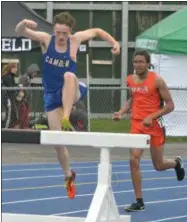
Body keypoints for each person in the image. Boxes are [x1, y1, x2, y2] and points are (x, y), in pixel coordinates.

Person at [15, 12, 120, 199]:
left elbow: (97, 30)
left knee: (69, 76)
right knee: (58, 143)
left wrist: (114, 42)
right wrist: (24, 22)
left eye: (65, 33)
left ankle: (67, 115)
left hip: (71, 90)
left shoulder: (76, 40)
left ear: (70, 31)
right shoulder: (46, 39)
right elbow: (21, 31)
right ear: (54, 30)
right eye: (58, 33)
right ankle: (68, 176)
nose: (61, 37)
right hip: (51, 96)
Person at [113, 50, 185, 211]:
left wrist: (151, 117)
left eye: (141, 62)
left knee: (158, 165)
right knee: (133, 160)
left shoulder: (157, 81)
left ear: (147, 63)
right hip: (137, 125)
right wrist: (121, 112)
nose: (138, 65)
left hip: (155, 126)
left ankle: (176, 163)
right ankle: (139, 201)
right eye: (135, 62)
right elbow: (133, 98)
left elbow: (170, 105)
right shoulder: (130, 80)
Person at [16, 64, 40, 129]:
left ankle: (24, 127)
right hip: (23, 102)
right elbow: (21, 89)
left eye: (36, 73)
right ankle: (22, 128)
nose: (35, 74)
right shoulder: (24, 78)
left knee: (25, 116)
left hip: (26, 101)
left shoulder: (28, 78)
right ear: (31, 71)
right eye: (34, 72)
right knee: (23, 116)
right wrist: (19, 100)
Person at [2, 63, 18, 128]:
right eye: (15, 68)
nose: (16, 70)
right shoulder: (7, 76)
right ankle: (5, 130)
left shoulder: (10, 76)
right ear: (12, 68)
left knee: (13, 115)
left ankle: (9, 128)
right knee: (9, 115)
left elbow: (12, 86)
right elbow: (11, 87)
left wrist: (17, 86)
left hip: (10, 98)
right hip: (8, 98)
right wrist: (17, 87)